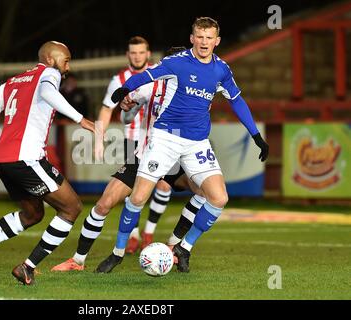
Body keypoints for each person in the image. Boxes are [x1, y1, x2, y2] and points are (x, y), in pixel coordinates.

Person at [96, 17, 269, 273]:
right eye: (200, 36)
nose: (204, 42)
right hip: (165, 138)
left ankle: (184, 247)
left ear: (217, 41)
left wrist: (255, 135)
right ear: (192, 38)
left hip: (197, 143)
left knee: (219, 198)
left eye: (209, 37)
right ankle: (118, 253)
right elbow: (147, 75)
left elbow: (237, 101)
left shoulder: (221, 69)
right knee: (138, 197)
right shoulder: (176, 62)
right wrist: (124, 89)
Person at [0, 41, 95, 285]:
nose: (68, 66)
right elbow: (47, 93)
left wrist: (2, 138)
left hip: (4, 159)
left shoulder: (15, 81)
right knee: (71, 208)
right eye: (66, 60)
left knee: (33, 214)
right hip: (27, 158)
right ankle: (27, 267)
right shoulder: (49, 73)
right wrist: (80, 119)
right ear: (50, 59)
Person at [50, 46, 206, 272]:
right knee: (104, 203)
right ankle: (78, 260)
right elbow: (127, 115)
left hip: (176, 158)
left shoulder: (196, 89)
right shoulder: (152, 84)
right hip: (145, 155)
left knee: (204, 193)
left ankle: (176, 246)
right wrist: (128, 107)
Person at [95, 36, 173, 254]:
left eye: (141, 52)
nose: (137, 56)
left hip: (163, 139)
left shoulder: (161, 73)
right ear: (128, 55)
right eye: (133, 53)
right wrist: (98, 139)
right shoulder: (119, 79)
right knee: (134, 189)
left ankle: (149, 232)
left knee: (164, 185)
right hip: (134, 139)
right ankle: (134, 235)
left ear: (148, 54)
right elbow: (106, 108)